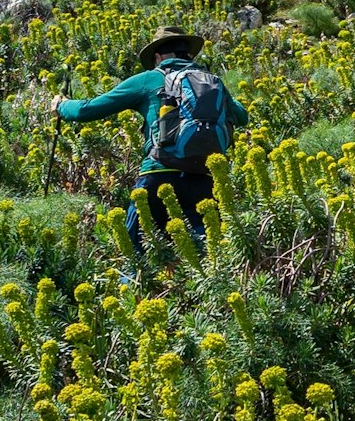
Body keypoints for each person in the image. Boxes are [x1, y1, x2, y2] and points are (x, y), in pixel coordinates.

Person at [55, 32, 245, 255]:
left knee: (134, 254)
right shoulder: (211, 81)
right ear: (190, 55)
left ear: (157, 57)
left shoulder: (149, 79)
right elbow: (242, 117)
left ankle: (134, 288)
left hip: (158, 173)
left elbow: (85, 110)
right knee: (207, 254)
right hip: (204, 178)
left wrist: (61, 105)